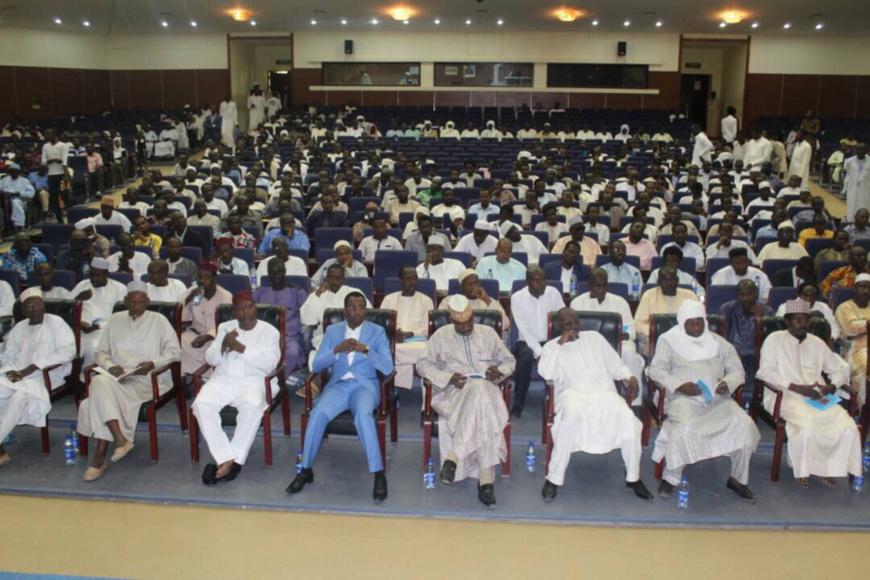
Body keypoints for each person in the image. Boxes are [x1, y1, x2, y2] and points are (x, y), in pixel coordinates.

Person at [287, 292, 394, 501]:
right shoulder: (333, 331)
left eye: (361, 307)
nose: (357, 312)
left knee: (363, 416)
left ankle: (378, 474)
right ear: (345, 311)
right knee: (317, 414)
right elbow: (317, 365)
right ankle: (305, 470)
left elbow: (388, 367)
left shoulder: (377, 331)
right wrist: (336, 350)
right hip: (339, 386)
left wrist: (366, 350)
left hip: (364, 386)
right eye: (352, 308)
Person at [649, 301, 759, 501]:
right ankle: (671, 477)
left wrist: (728, 383)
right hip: (683, 399)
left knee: (744, 424)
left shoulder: (718, 342)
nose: (696, 328)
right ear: (682, 323)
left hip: (718, 400)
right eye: (690, 324)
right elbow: (655, 371)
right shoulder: (669, 341)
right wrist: (679, 385)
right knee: (682, 428)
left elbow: (737, 370)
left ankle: (737, 480)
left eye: (699, 323)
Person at [538, 308, 652, 501]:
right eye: (568, 324)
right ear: (558, 326)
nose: (574, 327)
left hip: (604, 393)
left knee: (629, 420)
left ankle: (634, 478)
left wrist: (630, 376)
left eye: (576, 322)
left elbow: (616, 365)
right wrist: (560, 345)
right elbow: (547, 374)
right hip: (572, 395)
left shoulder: (595, 338)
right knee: (569, 421)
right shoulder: (550, 347)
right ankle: (554, 478)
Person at [416, 294, 516, 508]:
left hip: (486, 389)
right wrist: (448, 377)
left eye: (468, 322)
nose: (465, 327)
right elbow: (422, 365)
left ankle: (454, 456)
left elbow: (510, 360)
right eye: (459, 324)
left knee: (480, 389)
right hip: (454, 393)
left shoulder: (488, 333)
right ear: (452, 320)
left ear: (473, 317)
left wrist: (499, 371)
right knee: (483, 402)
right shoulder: (440, 336)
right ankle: (486, 480)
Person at [76, 281, 181, 482]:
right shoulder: (115, 320)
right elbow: (101, 352)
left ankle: (100, 457)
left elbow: (175, 352)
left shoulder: (159, 320)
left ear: (148, 301)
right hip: (118, 378)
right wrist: (110, 367)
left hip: (148, 380)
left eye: (141, 302)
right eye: (132, 302)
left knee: (95, 396)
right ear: (125, 301)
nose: (136, 306)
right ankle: (119, 440)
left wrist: (153, 363)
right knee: (99, 382)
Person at [757, 299, 860, 488]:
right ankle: (804, 470)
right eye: (797, 320)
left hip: (818, 397)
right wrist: (797, 387)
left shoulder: (816, 343)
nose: (802, 324)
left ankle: (824, 469)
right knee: (807, 429)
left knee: (847, 426)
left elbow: (838, 369)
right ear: (787, 321)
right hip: (785, 395)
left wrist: (831, 387)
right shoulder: (774, 340)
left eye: (806, 320)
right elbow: (765, 372)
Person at [192, 291, 281, 485]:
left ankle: (230, 460)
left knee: (252, 407)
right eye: (239, 309)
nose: (245, 312)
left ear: (255, 308)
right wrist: (223, 345)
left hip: (253, 381)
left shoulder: (269, 332)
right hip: (222, 380)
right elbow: (211, 359)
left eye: (248, 307)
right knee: (201, 404)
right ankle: (227, 458)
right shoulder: (225, 327)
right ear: (234, 312)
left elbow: (270, 364)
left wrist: (241, 348)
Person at [0, 288, 75, 466]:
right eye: (29, 307)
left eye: (38, 305)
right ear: (23, 311)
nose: (35, 310)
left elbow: (68, 351)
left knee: (20, 396)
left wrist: (33, 367)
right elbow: (7, 355)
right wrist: (10, 370)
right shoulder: (19, 328)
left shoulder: (56, 323)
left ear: (44, 306)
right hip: (18, 376)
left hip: (46, 375)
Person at [570, 269, 645, 404]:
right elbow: (572, 330)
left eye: (604, 285)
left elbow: (631, 330)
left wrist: (624, 334)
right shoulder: (577, 303)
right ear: (589, 285)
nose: (601, 289)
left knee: (629, 350)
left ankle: (635, 402)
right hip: (587, 345)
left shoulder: (620, 302)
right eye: (597, 286)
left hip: (614, 343)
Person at [510, 267, 565, 417]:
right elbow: (524, 329)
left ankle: (558, 402)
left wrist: (550, 348)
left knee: (563, 355)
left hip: (550, 340)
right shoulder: (517, 298)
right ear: (527, 282)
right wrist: (540, 352)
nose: (541, 283)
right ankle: (518, 403)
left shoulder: (553, 293)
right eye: (536, 280)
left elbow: (563, 319)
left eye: (543, 279)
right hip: (526, 341)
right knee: (526, 357)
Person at [380, 266, 434, 391]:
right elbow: (382, 324)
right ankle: (392, 389)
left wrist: (409, 334)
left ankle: (417, 392)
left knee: (427, 352)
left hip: (417, 342)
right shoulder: (389, 299)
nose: (413, 282)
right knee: (387, 350)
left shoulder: (426, 300)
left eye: (415, 278)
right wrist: (393, 333)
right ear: (401, 281)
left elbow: (428, 328)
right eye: (408, 279)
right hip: (394, 341)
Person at [71, 257, 129, 368]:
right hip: (79, 330)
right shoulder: (82, 285)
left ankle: (87, 376)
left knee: (94, 352)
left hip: (105, 332)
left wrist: (97, 326)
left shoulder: (119, 289)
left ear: (107, 274)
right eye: (91, 275)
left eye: (98, 276)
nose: (94, 279)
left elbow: (121, 317)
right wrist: (78, 298)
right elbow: (65, 308)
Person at [253, 259, 308, 374]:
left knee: (292, 352)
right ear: (268, 273)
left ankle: (279, 380)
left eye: (279, 272)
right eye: (272, 272)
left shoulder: (297, 292)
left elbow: (309, 314)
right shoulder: (260, 292)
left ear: (284, 271)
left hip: (288, 336)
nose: (276, 275)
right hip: (264, 336)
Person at [180, 264, 233, 375]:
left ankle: (207, 378)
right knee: (181, 341)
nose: (202, 281)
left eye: (207, 277)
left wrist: (209, 335)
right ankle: (186, 377)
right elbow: (181, 317)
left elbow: (228, 324)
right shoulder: (192, 292)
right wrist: (188, 299)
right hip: (195, 333)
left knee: (216, 348)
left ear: (214, 279)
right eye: (199, 277)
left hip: (217, 336)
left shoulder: (226, 296)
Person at [635, 267, 698, 355]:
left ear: (677, 280)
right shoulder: (649, 296)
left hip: (684, 339)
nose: (669, 283)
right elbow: (638, 323)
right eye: (665, 280)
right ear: (659, 282)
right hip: (656, 340)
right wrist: (658, 331)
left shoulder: (689, 296)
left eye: (672, 279)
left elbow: (698, 321)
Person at [720, 280, 773, 386]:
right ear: (737, 295)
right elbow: (723, 337)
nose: (745, 298)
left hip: (758, 354)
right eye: (741, 295)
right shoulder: (727, 309)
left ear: (755, 293)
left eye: (749, 294)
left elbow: (771, 339)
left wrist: (763, 318)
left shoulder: (767, 311)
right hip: (734, 353)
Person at [835, 274, 870, 406]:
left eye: (869, 287)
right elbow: (851, 327)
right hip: (855, 349)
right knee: (866, 368)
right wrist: (866, 325)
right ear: (854, 288)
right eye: (863, 287)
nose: (866, 290)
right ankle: (865, 410)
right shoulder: (844, 307)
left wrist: (864, 324)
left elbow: (860, 325)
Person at [439, 268, 510, 332]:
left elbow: (504, 325)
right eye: (469, 284)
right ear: (461, 287)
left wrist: (486, 299)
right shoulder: (449, 301)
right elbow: (440, 323)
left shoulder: (489, 301)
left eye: (476, 283)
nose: (474, 287)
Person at [41, 129, 70, 223]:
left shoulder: (63, 145)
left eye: (48, 134)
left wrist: (66, 174)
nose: (46, 136)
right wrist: (54, 160)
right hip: (51, 175)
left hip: (61, 175)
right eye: (45, 134)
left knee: (65, 197)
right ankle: (60, 220)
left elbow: (64, 161)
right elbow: (43, 162)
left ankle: (71, 218)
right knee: (53, 200)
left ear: (54, 134)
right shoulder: (45, 146)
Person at [0, 163, 35, 232]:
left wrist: (20, 193)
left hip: (20, 199)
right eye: (11, 171)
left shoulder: (24, 181)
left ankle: (20, 225)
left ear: (18, 172)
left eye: (14, 171)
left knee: (16, 203)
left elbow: (31, 192)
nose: (13, 173)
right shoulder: (5, 180)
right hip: (6, 199)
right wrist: (3, 192)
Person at [843, 144, 870, 221]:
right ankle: (850, 220)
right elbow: (848, 174)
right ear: (855, 151)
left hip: (867, 190)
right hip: (853, 189)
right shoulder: (849, 161)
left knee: (866, 206)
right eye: (858, 149)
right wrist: (845, 188)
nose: (860, 152)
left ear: (866, 151)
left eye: (862, 149)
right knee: (852, 207)